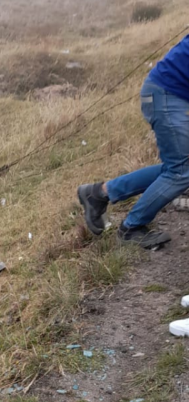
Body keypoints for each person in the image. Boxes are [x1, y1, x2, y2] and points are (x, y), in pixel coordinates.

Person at [78, 35, 189, 249]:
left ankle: (100, 193)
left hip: (165, 94)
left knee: (176, 168)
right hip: (167, 96)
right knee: (181, 171)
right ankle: (131, 228)